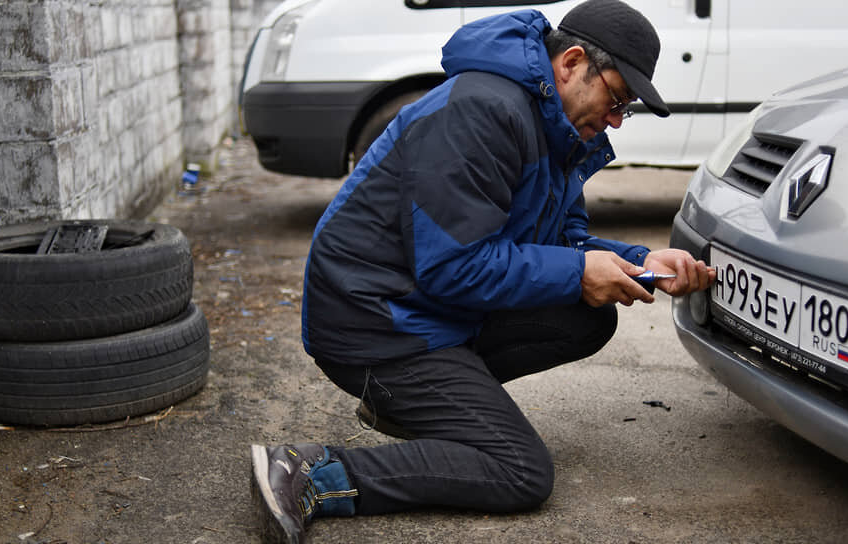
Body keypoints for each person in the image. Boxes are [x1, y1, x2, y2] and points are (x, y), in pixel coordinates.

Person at [249, 1, 716, 542]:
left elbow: (561, 243)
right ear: (570, 63)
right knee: (520, 471)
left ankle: (434, 410)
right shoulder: (481, 111)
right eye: (616, 98)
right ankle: (311, 470)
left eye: (625, 109)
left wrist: (641, 263)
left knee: (588, 315)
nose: (615, 119)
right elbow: (453, 267)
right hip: (377, 323)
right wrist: (578, 272)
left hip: (428, 307)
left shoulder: (556, 129)